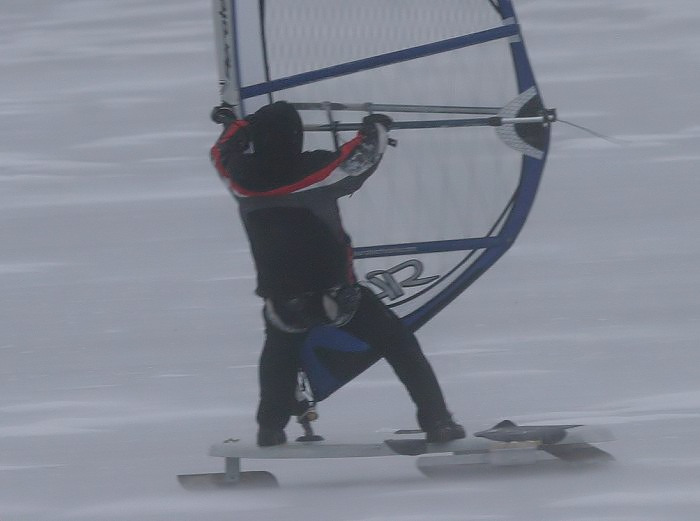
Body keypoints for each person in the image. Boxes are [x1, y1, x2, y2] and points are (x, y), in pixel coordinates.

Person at [211, 101, 465, 447]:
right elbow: (360, 158)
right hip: (337, 296)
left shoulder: (239, 178)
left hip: (283, 304)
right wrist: (375, 127)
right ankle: (437, 421)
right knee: (399, 344)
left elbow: (222, 150)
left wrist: (233, 124)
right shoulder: (315, 171)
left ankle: (270, 427)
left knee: (278, 356)